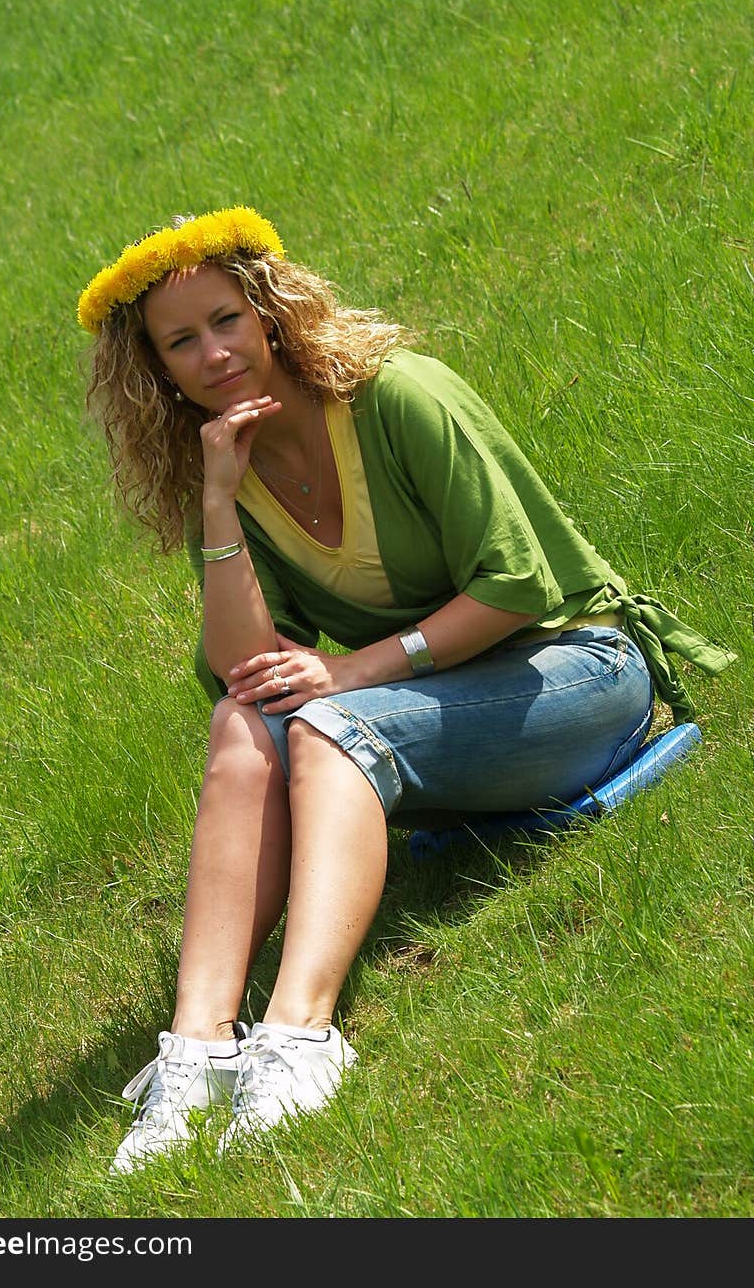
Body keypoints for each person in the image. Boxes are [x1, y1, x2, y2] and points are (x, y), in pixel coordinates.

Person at [78, 206, 735, 1174]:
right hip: (443, 705)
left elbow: (519, 585)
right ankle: (198, 1048)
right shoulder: (228, 464)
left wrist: (349, 671)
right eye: (181, 341)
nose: (212, 351)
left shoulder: (399, 397)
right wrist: (217, 500)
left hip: (579, 672)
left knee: (331, 725)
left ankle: (299, 1034)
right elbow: (245, 667)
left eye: (224, 319)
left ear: (267, 312)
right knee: (240, 722)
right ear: (159, 373)